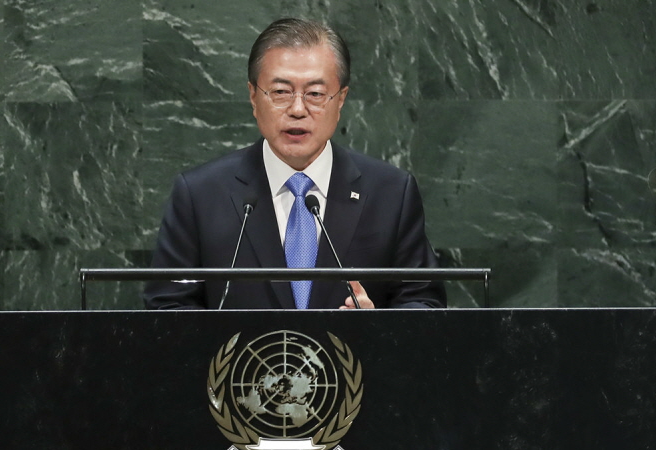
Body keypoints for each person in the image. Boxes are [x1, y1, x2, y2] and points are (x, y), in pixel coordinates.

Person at [143, 18, 446, 309]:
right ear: (253, 96)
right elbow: (168, 306)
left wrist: (376, 327)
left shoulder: (391, 193)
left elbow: (425, 303)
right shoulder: (200, 195)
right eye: (280, 92)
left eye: (315, 93)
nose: (298, 109)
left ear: (340, 99)